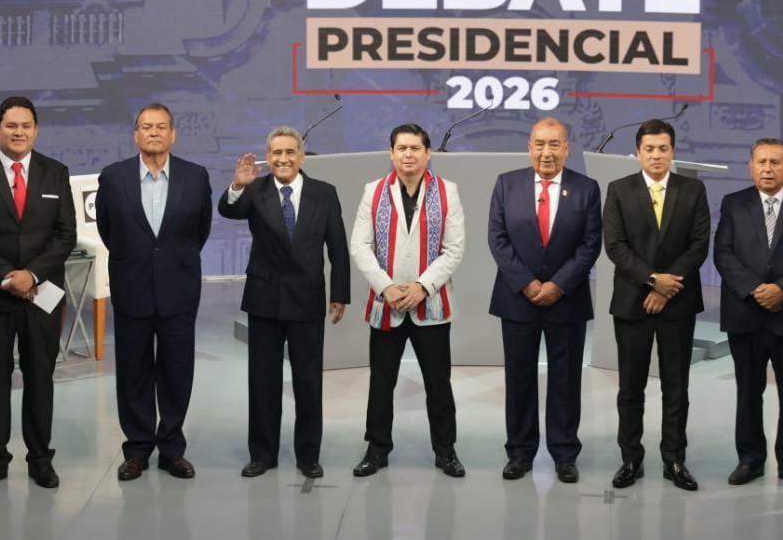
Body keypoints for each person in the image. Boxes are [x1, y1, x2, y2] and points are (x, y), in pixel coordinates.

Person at [0, 96, 77, 491]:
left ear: (36, 130)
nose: (19, 132)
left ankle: (40, 458)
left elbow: (65, 235)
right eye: (11, 125)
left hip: (43, 295)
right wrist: (8, 276)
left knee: (41, 376)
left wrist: (33, 275)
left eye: (26, 126)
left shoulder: (56, 173)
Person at [219, 126, 349, 477]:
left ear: (301, 157)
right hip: (265, 299)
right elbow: (228, 210)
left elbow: (337, 247)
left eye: (290, 152)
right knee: (263, 381)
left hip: (307, 299)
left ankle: (308, 455)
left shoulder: (324, 193)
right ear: (268, 156)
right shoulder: (254, 189)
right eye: (276, 153)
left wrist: (340, 294)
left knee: (308, 381)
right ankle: (262, 454)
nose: (283, 158)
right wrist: (237, 185)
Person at [95, 103, 213, 482]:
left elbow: (201, 231)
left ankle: (172, 448)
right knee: (133, 373)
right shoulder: (113, 178)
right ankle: (138, 449)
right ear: (135, 135)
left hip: (179, 290)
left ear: (173, 134)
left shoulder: (196, 177)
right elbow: (107, 229)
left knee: (178, 373)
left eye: (161, 127)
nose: (154, 133)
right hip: (132, 289)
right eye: (146, 127)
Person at [486, 116, 602, 483]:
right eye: (540, 144)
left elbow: (589, 245)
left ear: (567, 149)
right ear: (529, 147)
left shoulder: (586, 189)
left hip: (566, 300)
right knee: (519, 378)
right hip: (518, 299)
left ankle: (564, 452)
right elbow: (498, 239)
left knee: (566, 380)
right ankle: (519, 452)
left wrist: (557, 285)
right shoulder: (507, 184)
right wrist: (528, 284)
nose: (547, 152)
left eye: (555, 144)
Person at [348, 123, 467, 478]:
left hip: (430, 304)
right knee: (381, 382)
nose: (408, 154)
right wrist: (386, 287)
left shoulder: (448, 192)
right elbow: (360, 245)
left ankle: (445, 450)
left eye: (415, 148)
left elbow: (454, 249)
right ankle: (377, 449)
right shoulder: (373, 192)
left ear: (428, 153)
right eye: (402, 148)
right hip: (387, 304)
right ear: (391, 153)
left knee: (438, 383)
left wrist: (422, 286)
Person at [601, 118, 710, 491]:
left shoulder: (692, 190)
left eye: (663, 148)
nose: (656, 155)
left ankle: (674, 459)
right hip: (632, 304)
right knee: (630, 387)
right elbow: (615, 246)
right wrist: (651, 280)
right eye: (649, 149)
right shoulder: (619, 189)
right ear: (638, 153)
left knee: (676, 386)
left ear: (673, 151)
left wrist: (665, 288)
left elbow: (698, 245)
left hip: (677, 305)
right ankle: (631, 458)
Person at [712, 138, 783, 490]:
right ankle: (750, 459)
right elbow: (724, 254)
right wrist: (755, 289)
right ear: (751, 166)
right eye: (761, 162)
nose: (768, 169)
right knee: (748, 391)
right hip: (746, 313)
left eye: (775, 162)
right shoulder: (734, 203)